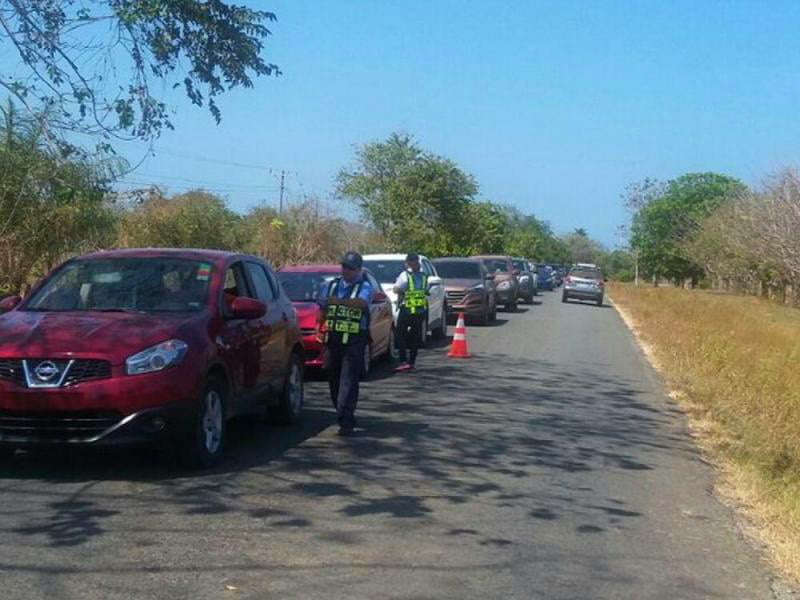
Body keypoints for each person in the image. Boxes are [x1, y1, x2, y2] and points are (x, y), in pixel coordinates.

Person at [317, 251, 374, 435]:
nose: (346, 271)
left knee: (348, 380)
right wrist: (319, 326)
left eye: (350, 268)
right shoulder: (331, 285)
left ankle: (346, 419)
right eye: (344, 267)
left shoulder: (364, 286)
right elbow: (323, 307)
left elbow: (361, 304)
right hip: (333, 339)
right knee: (333, 377)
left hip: (355, 340)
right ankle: (342, 410)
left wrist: (339, 302)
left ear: (358, 270)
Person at [393, 253, 429, 372]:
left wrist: (399, 290)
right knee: (415, 337)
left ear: (409, 262)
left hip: (407, 309)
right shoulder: (424, 276)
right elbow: (426, 290)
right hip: (420, 310)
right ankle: (411, 363)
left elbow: (397, 289)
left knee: (400, 334)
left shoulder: (405, 275)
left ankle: (403, 361)